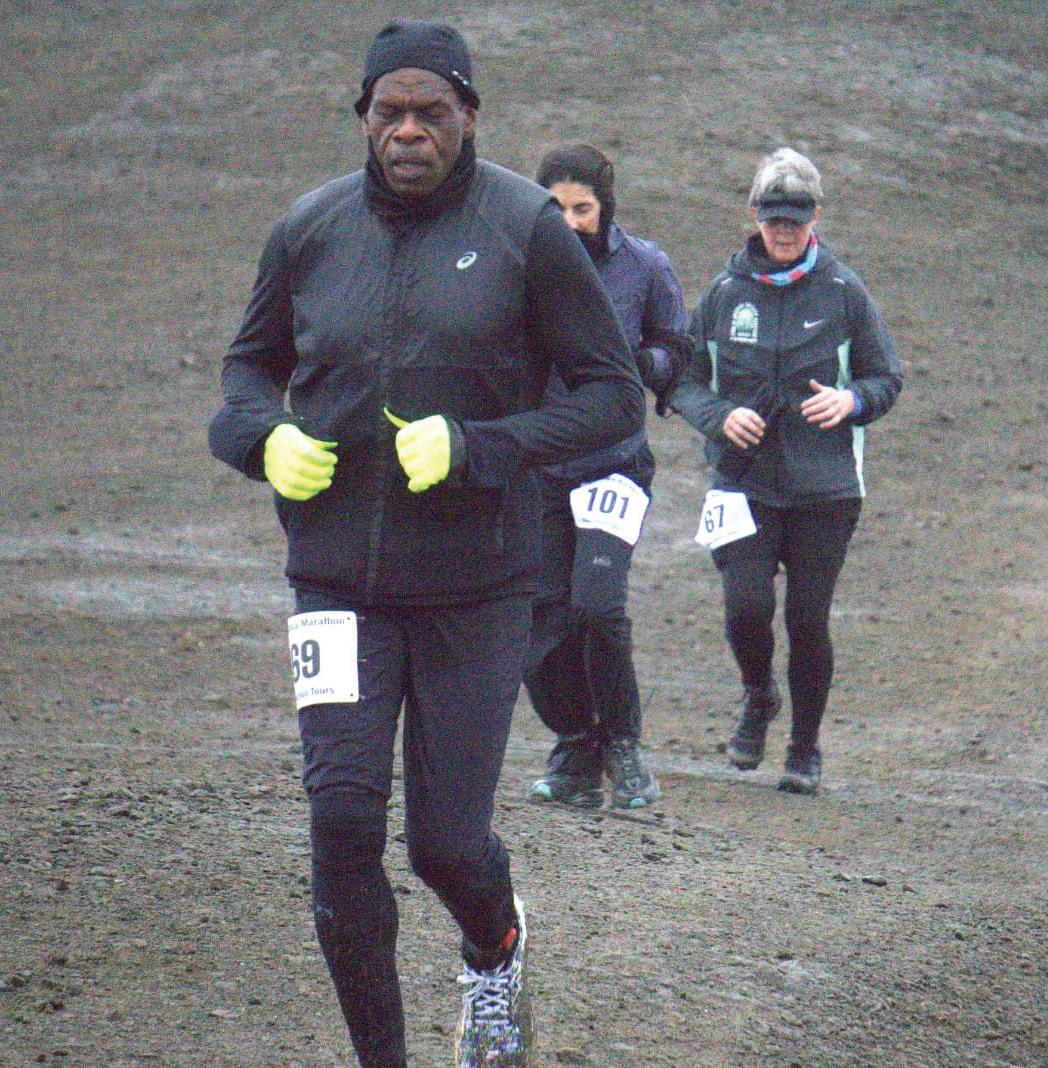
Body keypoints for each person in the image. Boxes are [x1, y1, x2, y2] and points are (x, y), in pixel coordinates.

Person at [207, 20, 643, 1068]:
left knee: (445, 847)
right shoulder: (308, 229)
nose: (408, 131)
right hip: (336, 584)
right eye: (389, 112)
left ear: (470, 117)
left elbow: (613, 398)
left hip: (477, 589)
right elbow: (244, 376)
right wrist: (264, 441)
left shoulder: (526, 228)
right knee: (342, 824)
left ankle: (495, 951)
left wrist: (481, 447)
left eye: (430, 112)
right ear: (363, 117)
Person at [672, 147, 902, 796]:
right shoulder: (723, 294)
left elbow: (886, 377)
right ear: (754, 215)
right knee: (745, 607)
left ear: (815, 217)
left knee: (806, 620)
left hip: (825, 488)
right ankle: (757, 694)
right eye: (774, 219)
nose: (784, 231)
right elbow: (681, 380)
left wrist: (850, 402)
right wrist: (718, 417)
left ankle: (804, 748)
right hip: (741, 483)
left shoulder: (843, 292)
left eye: (796, 220)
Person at [523, 144, 690, 810]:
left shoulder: (645, 266)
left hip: (613, 463)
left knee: (596, 603)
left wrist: (636, 364)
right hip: (536, 467)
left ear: (605, 208)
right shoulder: (516, 263)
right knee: (540, 624)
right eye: (556, 208)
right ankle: (576, 748)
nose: (569, 221)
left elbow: (676, 349)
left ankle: (623, 746)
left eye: (582, 208)